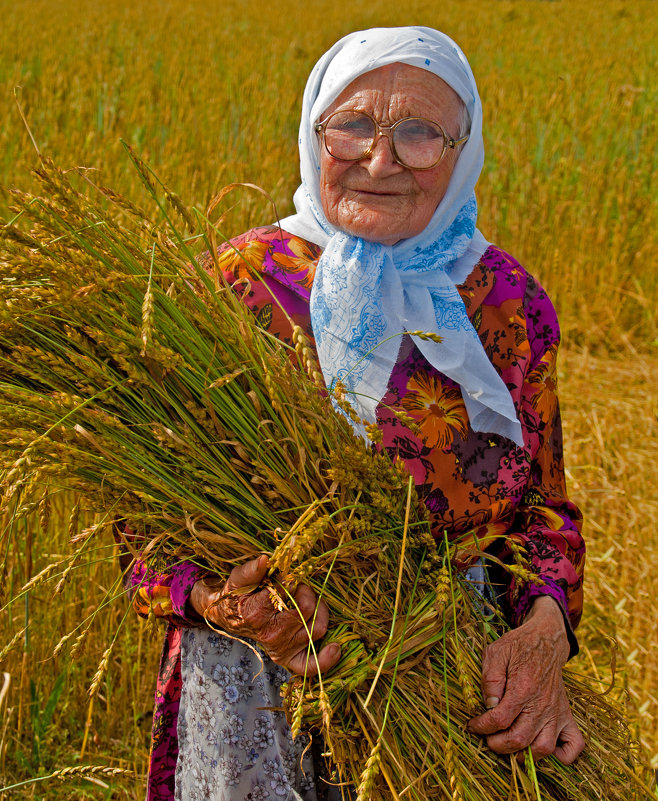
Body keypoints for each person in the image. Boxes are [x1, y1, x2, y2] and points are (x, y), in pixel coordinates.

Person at [123, 26, 586, 801]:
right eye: (353, 126)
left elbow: (543, 507)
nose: (380, 161)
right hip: (251, 681)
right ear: (313, 133)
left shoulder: (505, 301)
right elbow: (140, 517)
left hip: (448, 672)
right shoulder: (229, 292)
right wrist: (216, 599)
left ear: (464, 148)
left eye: (418, 134)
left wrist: (542, 632)